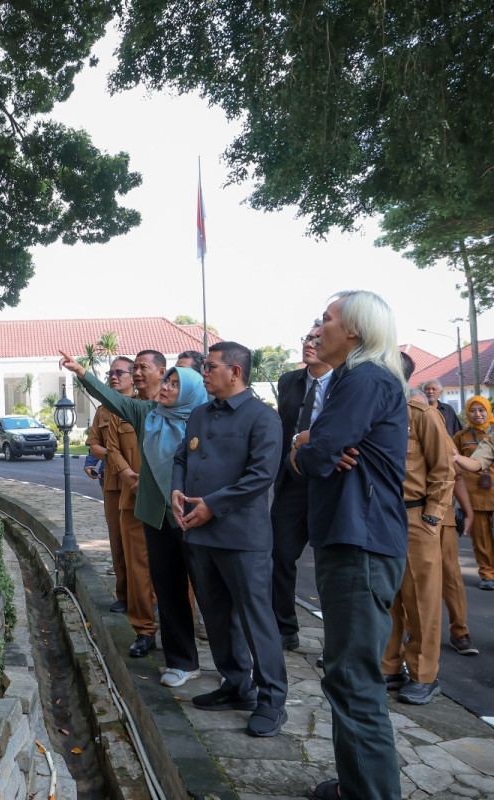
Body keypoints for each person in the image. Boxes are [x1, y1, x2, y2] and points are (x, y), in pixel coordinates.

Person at [289, 291, 408, 800]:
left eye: (329, 319)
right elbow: (317, 451)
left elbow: (316, 458)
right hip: (353, 540)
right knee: (345, 676)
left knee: (355, 682)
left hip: (360, 544)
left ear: (354, 331)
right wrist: (311, 444)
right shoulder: (354, 379)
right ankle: (354, 784)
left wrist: (305, 445)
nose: (319, 328)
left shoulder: (363, 379)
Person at [59, 349, 208, 687]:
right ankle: (179, 658)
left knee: (204, 585)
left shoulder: (205, 419)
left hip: (195, 514)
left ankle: (234, 669)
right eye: (167, 380)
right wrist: (82, 372)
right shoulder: (148, 413)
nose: (167, 387)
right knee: (164, 585)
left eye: (174, 381)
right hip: (156, 513)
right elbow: (112, 400)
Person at [171, 341, 286, 736]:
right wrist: (176, 489)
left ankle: (272, 699)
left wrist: (212, 506)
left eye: (210, 367)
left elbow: (260, 477)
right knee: (217, 617)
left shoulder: (263, 418)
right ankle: (237, 685)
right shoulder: (200, 414)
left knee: (257, 620)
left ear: (235, 372)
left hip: (241, 537)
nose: (204, 373)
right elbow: (182, 458)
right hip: (200, 535)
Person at [379, 367, 453, 706]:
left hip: (415, 516)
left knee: (421, 599)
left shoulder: (422, 414)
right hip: (380, 515)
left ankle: (424, 675)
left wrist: (433, 517)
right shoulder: (374, 410)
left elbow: (443, 468)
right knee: (387, 597)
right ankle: (389, 666)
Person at [270, 324, 332, 651]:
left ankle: (336, 641)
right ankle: (284, 628)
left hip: (330, 481)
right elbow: (284, 427)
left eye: (317, 339)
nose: (309, 344)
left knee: (330, 563)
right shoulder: (289, 381)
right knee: (279, 552)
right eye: (307, 338)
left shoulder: (345, 383)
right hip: (291, 481)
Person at [104, 352, 162, 642]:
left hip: (169, 499)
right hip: (133, 496)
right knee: (136, 565)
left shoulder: (176, 406)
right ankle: (143, 629)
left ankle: (185, 629)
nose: (137, 373)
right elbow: (111, 448)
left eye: (143, 368)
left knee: (179, 568)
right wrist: (129, 476)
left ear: (162, 372)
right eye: (135, 368)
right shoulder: (123, 409)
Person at [87, 356, 135, 612]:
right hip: (113, 483)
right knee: (117, 542)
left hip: (138, 482)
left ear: (132, 376)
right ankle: (124, 595)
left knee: (142, 544)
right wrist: (111, 456)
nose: (113, 377)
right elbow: (94, 444)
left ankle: (151, 599)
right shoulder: (103, 411)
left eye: (120, 373)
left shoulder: (142, 405)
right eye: (110, 373)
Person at [452, 396, 494, 590]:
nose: (478, 414)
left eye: (481, 410)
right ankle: (487, 574)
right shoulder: (461, 436)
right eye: (473, 410)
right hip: (475, 495)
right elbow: (454, 464)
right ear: (467, 413)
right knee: (481, 537)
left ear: (488, 411)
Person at [442, 474, 479, 655]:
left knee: (451, 576)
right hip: (405, 513)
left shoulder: (443, 444)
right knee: (409, 577)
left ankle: (459, 632)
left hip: (442, 516)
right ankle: (414, 631)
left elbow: (457, 477)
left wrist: (467, 510)